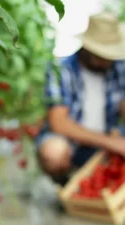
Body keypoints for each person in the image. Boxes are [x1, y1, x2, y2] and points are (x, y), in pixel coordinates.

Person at [35, 12, 125, 185]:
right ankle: (66, 180)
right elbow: (59, 122)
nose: (106, 61)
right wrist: (111, 143)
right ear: (87, 47)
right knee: (54, 152)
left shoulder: (119, 68)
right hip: (74, 144)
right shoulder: (60, 69)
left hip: (110, 136)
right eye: (101, 55)